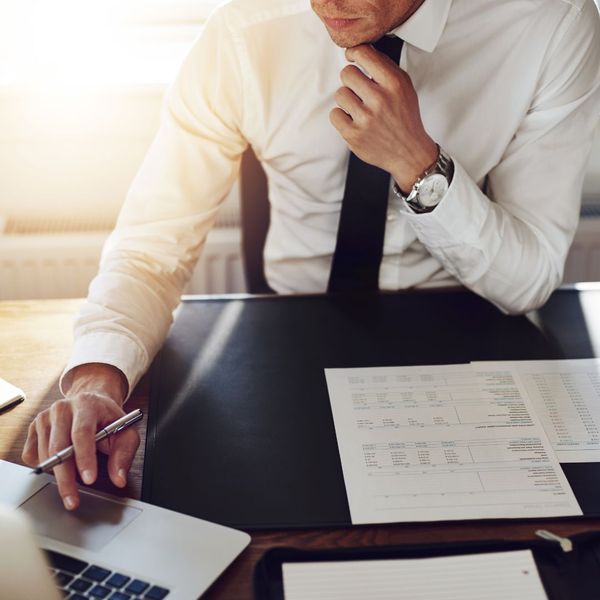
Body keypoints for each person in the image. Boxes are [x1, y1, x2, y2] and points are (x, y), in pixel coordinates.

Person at [22, 0, 600, 510]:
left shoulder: (552, 22)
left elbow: (529, 280)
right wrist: (98, 377)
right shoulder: (243, 31)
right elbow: (153, 245)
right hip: (280, 346)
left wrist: (419, 165)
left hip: (467, 341)